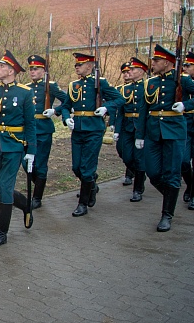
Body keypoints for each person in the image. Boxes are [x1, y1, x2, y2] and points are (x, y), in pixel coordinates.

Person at [136, 44, 194, 231]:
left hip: (174, 131)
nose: (153, 63)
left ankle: (166, 215)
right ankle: (172, 195)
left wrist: (185, 104)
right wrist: (140, 135)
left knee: (171, 174)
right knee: (152, 172)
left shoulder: (182, 80)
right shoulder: (150, 83)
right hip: (153, 131)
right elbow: (144, 110)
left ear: (168, 63)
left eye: (157, 60)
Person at [0, 50, 36, 248]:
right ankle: (25, 204)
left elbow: (31, 124)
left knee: (5, 186)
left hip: (15, 144)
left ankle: (1, 232)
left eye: (2, 66)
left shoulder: (24, 92)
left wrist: (31, 150)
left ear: (12, 71)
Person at [60, 53, 124, 217]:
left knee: (87, 169)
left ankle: (83, 204)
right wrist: (67, 118)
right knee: (76, 167)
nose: (77, 67)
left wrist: (106, 107)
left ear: (89, 66)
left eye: (80, 65)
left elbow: (120, 99)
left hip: (94, 129)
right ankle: (92, 186)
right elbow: (66, 106)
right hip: (78, 129)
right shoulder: (73, 85)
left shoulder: (100, 83)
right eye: (76, 65)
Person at [25, 54, 70, 209]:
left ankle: (37, 198)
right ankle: (40, 184)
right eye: (31, 69)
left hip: (44, 129)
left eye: (36, 69)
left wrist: (55, 110)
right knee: (26, 163)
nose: (32, 72)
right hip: (29, 130)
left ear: (43, 71)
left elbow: (68, 100)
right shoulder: (27, 88)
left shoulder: (50, 86)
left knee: (40, 164)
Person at [113, 58, 148, 202]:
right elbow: (120, 111)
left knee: (139, 157)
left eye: (133, 70)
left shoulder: (147, 86)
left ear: (141, 72)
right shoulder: (123, 89)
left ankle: (138, 189)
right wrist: (116, 128)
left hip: (141, 126)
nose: (129, 72)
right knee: (125, 154)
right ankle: (140, 173)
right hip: (127, 125)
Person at [113, 62, 135, 187]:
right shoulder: (120, 89)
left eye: (128, 72)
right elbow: (118, 110)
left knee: (135, 152)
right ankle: (133, 170)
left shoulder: (143, 86)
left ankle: (131, 174)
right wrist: (114, 126)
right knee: (122, 150)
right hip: (124, 123)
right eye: (124, 73)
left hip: (137, 124)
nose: (126, 75)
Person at [181, 51, 194, 210]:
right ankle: (190, 185)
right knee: (183, 161)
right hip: (186, 123)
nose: (184, 67)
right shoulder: (182, 81)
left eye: (188, 65)